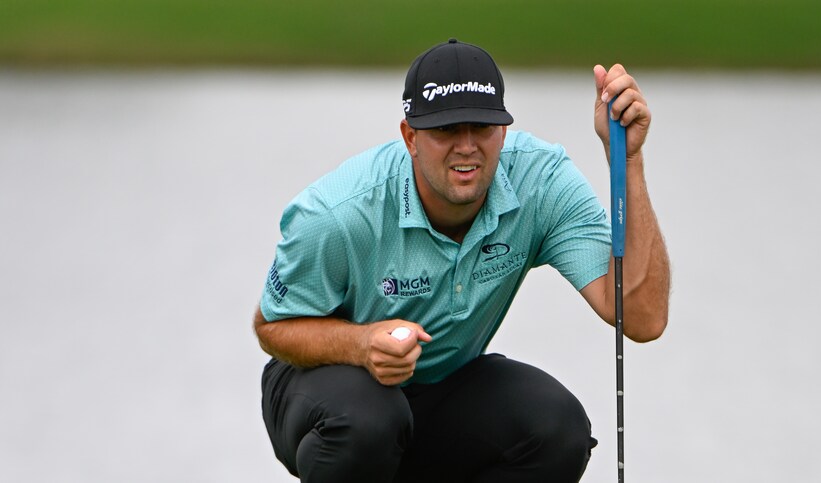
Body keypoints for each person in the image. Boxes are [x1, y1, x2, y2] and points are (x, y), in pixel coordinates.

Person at [253, 38, 670, 483]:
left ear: (504, 131)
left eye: (482, 127)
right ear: (410, 136)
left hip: (442, 387)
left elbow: (641, 318)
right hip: (320, 392)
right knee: (370, 420)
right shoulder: (339, 213)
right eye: (446, 130)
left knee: (556, 428)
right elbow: (271, 326)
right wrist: (360, 345)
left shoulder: (541, 182)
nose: (467, 146)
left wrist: (627, 160)